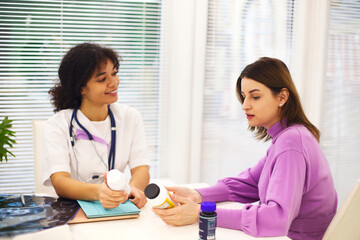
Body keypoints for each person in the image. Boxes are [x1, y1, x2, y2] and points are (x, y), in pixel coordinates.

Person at [153, 57, 338, 240]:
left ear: (282, 97)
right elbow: (251, 183)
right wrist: (198, 195)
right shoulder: (288, 137)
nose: (244, 105)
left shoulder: (291, 143)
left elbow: (276, 218)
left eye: (255, 97)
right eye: (244, 96)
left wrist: (202, 213)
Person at [43, 42, 150, 209]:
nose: (113, 82)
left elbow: (141, 168)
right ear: (81, 88)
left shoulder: (130, 117)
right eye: (102, 79)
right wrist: (99, 192)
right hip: (73, 208)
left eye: (114, 73)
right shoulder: (58, 124)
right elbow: (60, 181)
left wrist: (134, 189)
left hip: (118, 206)